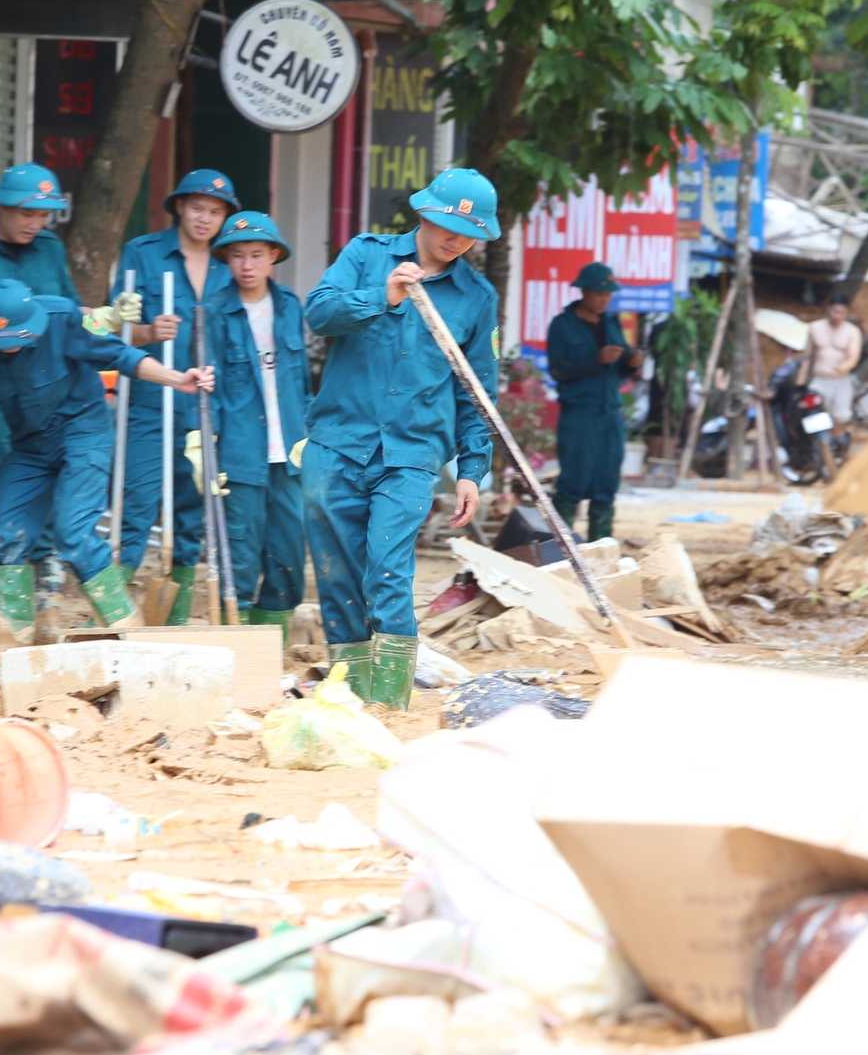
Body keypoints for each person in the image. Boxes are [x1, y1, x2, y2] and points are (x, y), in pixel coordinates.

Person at [302, 168, 499, 709]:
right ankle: (352, 705)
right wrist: (381, 297)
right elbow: (318, 313)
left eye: (468, 232)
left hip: (411, 456)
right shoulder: (367, 256)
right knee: (337, 578)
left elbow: (476, 391)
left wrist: (472, 471)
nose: (454, 239)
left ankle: (390, 710)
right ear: (423, 212)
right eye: (445, 224)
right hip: (336, 445)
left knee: (387, 569)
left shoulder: (476, 298)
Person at [0, 164, 141, 620]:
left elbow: (70, 313)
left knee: (53, 510)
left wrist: (107, 318)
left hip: (47, 393)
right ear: (0, 205)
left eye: (44, 214)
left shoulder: (48, 247)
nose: (34, 223)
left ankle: (46, 588)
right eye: (26, 212)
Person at [0, 280, 215, 628]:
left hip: (83, 431)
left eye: (19, 338)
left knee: (72, 533)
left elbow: (120, 354)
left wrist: (176, 378)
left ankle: (125, 626)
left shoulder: (63, 317)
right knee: (1, 535)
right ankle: (12, 641)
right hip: (30, 446)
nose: (12, 348)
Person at [112, 169, 240, 621]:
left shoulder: (231, 266)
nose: (206, 219)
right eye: (198, 208)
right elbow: (112, 330)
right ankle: (114, 613)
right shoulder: (142, 254)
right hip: (150, 402)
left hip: (208, 408)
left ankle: (175, 616)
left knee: (194, 511)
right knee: (138, 504)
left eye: (216, 211)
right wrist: (146, 330)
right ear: (180, 207)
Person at [202, 211, 310, 641]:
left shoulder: (289, 306)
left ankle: (275, 648)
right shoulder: (212, 311)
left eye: (257, 255)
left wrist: (310, 435)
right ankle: (238, 644)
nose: (247, 265)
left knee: (288, 550)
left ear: (273, 257)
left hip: (291, 451)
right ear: (227, 258)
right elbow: (207, 387)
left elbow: (301, 381)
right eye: (238, 255)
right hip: (240, 451)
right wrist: (204, 444)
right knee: (240, 553)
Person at [546, 262, 640, 541]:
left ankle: (601, 551)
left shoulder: (612, 322)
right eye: (600, 293)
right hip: (579, 412)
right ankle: (562, 551)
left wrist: (631, 364)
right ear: (584, 291)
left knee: (607, 483)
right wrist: (594, 360)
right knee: (572, 482)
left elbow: (618, 369)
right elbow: (558, 370)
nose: (604, 299)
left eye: (608, 294)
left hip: (610, 412)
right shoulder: (562, 325)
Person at [802, 293, 863, 447]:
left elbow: (853, 357)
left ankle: (834, 448)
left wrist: (844, 366)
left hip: (841, 382)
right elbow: (806, 357)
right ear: (828, 308)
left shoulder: (852, 332)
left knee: (840, 417)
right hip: (819, 381)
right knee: (811, 411)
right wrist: (800, 381)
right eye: (835, 311)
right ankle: (817, 448)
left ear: (847, 313)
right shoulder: (815, 328)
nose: (837, 316)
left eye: (842, 313)